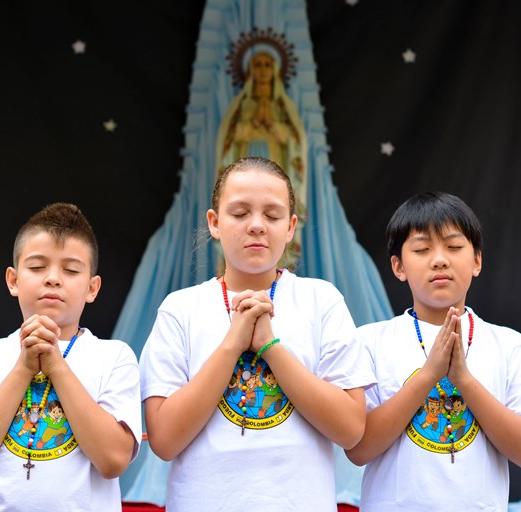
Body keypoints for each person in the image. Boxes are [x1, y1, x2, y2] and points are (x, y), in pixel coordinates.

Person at [139, 156, 373, 511]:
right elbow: (164, 440)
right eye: (239, 213)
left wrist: (270, 346)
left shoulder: (321, 300)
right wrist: (233, 343)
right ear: (214, 223)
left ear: (291, 227)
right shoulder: (181, 309)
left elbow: (351, 429)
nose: (257, 226)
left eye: (273, 215)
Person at [346, 192, 521, 511]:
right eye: (422, 249)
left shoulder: (510, 345)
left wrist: (464, 380)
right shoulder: (370, 341)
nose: (440, 259)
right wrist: (428, 376)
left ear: (476, 261)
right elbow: (358, 448)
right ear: (398, 266)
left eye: (454, 247)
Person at [0, 203, 141, 511]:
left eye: (71, 270)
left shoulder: (114, 356)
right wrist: (24, 367)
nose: (53, 279)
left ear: (92, 287)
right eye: (36, 267)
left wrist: (57, 366)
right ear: (13, 280)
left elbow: (113, 461)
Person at [216, 49, 307, 267]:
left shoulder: (283, 106)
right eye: (258, 64)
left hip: (277, 160)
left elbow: (295, 140)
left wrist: (274, 127)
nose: (263, 70)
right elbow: (229, 138)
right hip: (244, 156)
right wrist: (253, 126)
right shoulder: (241, 105)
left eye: (268, 65)